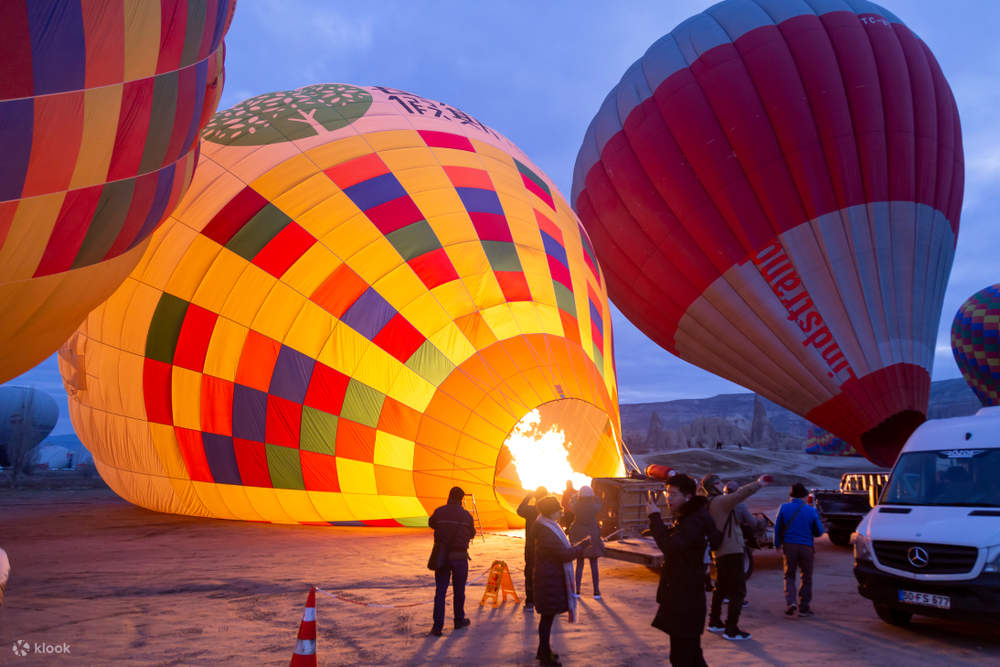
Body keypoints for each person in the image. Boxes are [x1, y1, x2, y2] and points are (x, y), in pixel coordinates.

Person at [645, 473, 720, 667]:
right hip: (684, 595)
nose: (668, 498)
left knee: (682, 656)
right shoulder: (689, 517)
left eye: (673, 494)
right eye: (667, 493)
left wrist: (654, 517)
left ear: (687, 496)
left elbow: (670, 547)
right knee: (690, 654)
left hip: (685, 597)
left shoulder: (693, 521)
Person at [702, 472, 771, 640]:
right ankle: (731, 628)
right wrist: (759, 483)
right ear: (712, 486)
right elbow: (740, 494)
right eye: (718, 482)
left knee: (721, 587)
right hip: (731, 550)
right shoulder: (720, 502)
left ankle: (715, 621)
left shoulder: (711, 502)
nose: (721, 485)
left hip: (722, 551)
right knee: (738, 590)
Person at [532, 495, 590, 666]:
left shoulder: (547, 526)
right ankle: (544, 656)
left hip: (549, 577)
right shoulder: (546, 531)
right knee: (547, 618)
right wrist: (583, 546)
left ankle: (543, 651)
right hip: (549, 580)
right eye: (558, 509)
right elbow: (564, 555)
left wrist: (578, 545)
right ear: (551, 512)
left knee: (547, 619)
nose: (561, 511)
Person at [427, 486, 476, 636]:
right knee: (459, 590)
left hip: (442, 557)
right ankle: (458, 620)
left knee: (441, 591)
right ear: (461, 499)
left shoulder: (440, 511)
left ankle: (437, 626)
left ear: (449, 496)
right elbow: (472, 534)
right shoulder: (467, 516)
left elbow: (431, 523)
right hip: (460, 557)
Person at [774, 482, 825, 617]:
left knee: (789, 575)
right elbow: (819, 532)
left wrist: (777, 544)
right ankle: (804, 607)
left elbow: (778, 528)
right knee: (806, 577)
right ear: (803, 495)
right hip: (806, 547)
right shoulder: (811, 510)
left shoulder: (783, 508)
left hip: (789, 546)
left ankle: (791, 602)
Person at [568, 485, 604, 598]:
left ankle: (577, 591)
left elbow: (570, 503)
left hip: (579, 535)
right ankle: (596, 591)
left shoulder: (576, 506)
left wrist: (575, 496)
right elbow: (600, 503)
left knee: (579, 564)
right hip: (592, 535)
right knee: (594, 565)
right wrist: (595, 497)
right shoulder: (594, 506)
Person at [518, 486, 547, 612]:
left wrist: (528, 496)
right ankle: (546, 600)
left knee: (529, 572)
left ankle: (530, 601)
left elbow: (519, 510)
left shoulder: (530, 510)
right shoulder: (547, 511)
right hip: (545, 547)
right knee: (546, 573)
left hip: (530, 547)